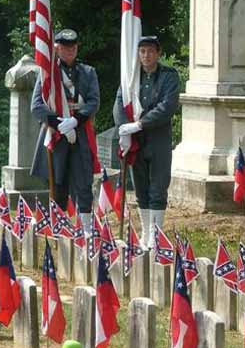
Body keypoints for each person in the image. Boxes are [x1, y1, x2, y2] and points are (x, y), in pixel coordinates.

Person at [30, 28, 100, 233]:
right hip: (56, 134)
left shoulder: (88, 73)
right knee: (57, 182)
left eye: (73, 47)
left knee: (84, 181)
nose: (70, 51)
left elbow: (94, 102)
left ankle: (86, 229)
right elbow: (36, 106)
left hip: (81, 133)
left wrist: (75, 121)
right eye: (65, 48)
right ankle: (58, 227)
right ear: (57, 49)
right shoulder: (47, 75)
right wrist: (59, 122)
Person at [113, 36, 180, 248]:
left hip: (158, 138)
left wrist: (140, 124)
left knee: (158, 187)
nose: (146, 55)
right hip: (136, 141)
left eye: (150, 51)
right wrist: (124, 128)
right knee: (140, 186)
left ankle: (156, 235)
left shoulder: (169, 76)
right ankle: (145, 232)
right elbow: (120, 102)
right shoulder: (131, 77)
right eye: (142, 51)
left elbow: (167, 106)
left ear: (158, 53)